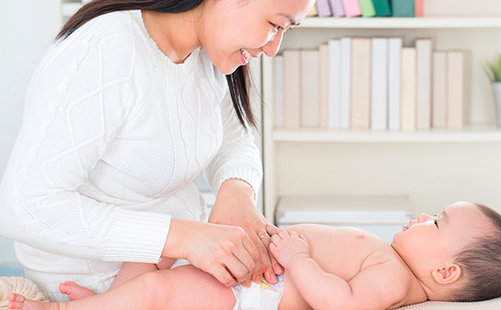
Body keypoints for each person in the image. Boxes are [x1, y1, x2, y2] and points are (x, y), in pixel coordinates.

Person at [0, 0, 314, 301]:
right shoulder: (108, 49)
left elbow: (233, 137)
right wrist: (186, 238)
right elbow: (23, 207)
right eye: (275, 25)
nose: (273, 49)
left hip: (172, 264)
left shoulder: (209, 49)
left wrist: (237, 194)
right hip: (99, 285)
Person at [7, 201, 501, 310]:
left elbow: (340, 304)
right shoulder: (394, 260)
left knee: (156, 290)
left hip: (257, 291)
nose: (421, 217)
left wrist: (301, 257)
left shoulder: (398, 284)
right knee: (158, 253)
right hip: (256, 268)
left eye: (435, 222)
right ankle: (104, 304)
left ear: (445, 271)